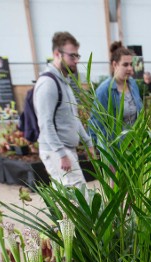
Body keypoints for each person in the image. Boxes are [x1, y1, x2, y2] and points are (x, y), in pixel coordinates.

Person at [34, 31, 95, 190]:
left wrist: (88, 142)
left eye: (77, 56)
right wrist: (61, 154)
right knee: (76, 197)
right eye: (71, 56)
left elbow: (73, 118)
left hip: (67, 149)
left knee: (77, 197)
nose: (76, 61)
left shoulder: (64, 82)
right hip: (56, 151)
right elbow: (45, 123)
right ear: (57, 54)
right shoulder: (48, 83)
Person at [93, 41, 144, 139]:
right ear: (115, 65)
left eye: (131, 64)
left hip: (135, 144)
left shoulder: (133, 84)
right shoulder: (104, 90)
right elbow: (96, 123)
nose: (129, 68)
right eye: (125, 65)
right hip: (116, 148)